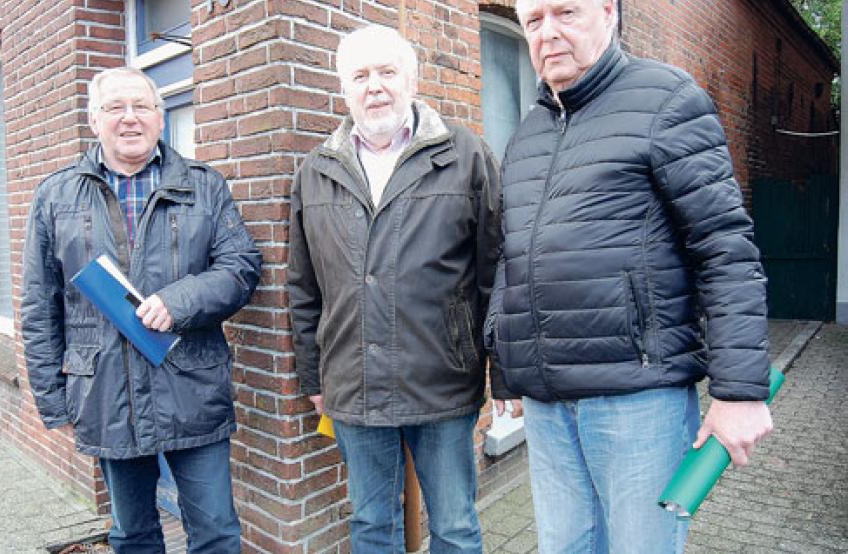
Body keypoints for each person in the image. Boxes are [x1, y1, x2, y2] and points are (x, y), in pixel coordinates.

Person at [485, 1, 774, 552]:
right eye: (533, 21)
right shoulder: (527, 134)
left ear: (608, 13)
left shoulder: (667, 100)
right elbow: (512, 256)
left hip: (638, 400)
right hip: (548, 409)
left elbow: (726, 247)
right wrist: (510, 370)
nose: (548, 33)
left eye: (565, 12)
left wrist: (739, 392)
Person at [287, 24, 514, 554]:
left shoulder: (465, 155)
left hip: (442, 379)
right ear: (343, 89)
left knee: (455, 525)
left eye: (387, 72)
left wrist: (502, 375)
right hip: (351, 382)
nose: (375, 87)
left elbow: (496, 272)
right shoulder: (316, 171)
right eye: (360, 76)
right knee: (371, 525)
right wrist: (312, 374)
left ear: (411, 79)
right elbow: (303, 288)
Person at [22, 66, 262, 553]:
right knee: (132, 536)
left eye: (142, 106)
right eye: (114, 107)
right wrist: (54, 400)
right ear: (93, 120)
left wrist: (178, 302)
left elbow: (242, 268)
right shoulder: (56, 195)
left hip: (192, 386)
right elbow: (39, 305)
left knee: (216, 531)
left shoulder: (204, 185)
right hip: (106, 393)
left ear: (160, 116)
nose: (129, 118)